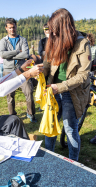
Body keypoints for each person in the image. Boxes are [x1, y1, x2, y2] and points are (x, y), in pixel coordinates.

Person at [43, 8, 91, 161]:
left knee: (70, 128)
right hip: (53, 90)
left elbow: (83, 75)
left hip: (72, 92)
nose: (53, 34)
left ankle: (73, 162)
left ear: (64, 27)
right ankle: (48, 156)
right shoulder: (54, 40)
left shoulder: (83, 44)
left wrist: (60, 87)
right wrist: (38, 71)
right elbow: (47, 64)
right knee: (50, 126)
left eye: (56, 30)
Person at [0, 18, 37, 122]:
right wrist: (17, 52)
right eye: (10, 28)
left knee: (29, 91)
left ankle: (31, 114)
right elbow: (2, 54)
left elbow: (25, 54)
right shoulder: (3, 41)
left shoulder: (23, 40)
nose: (12, 29)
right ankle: (12, 116)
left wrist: (10, 55)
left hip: (23, 69)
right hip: (9, 70)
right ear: (6, 28)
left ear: (16, 27)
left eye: (14, 27)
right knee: (10, 95)